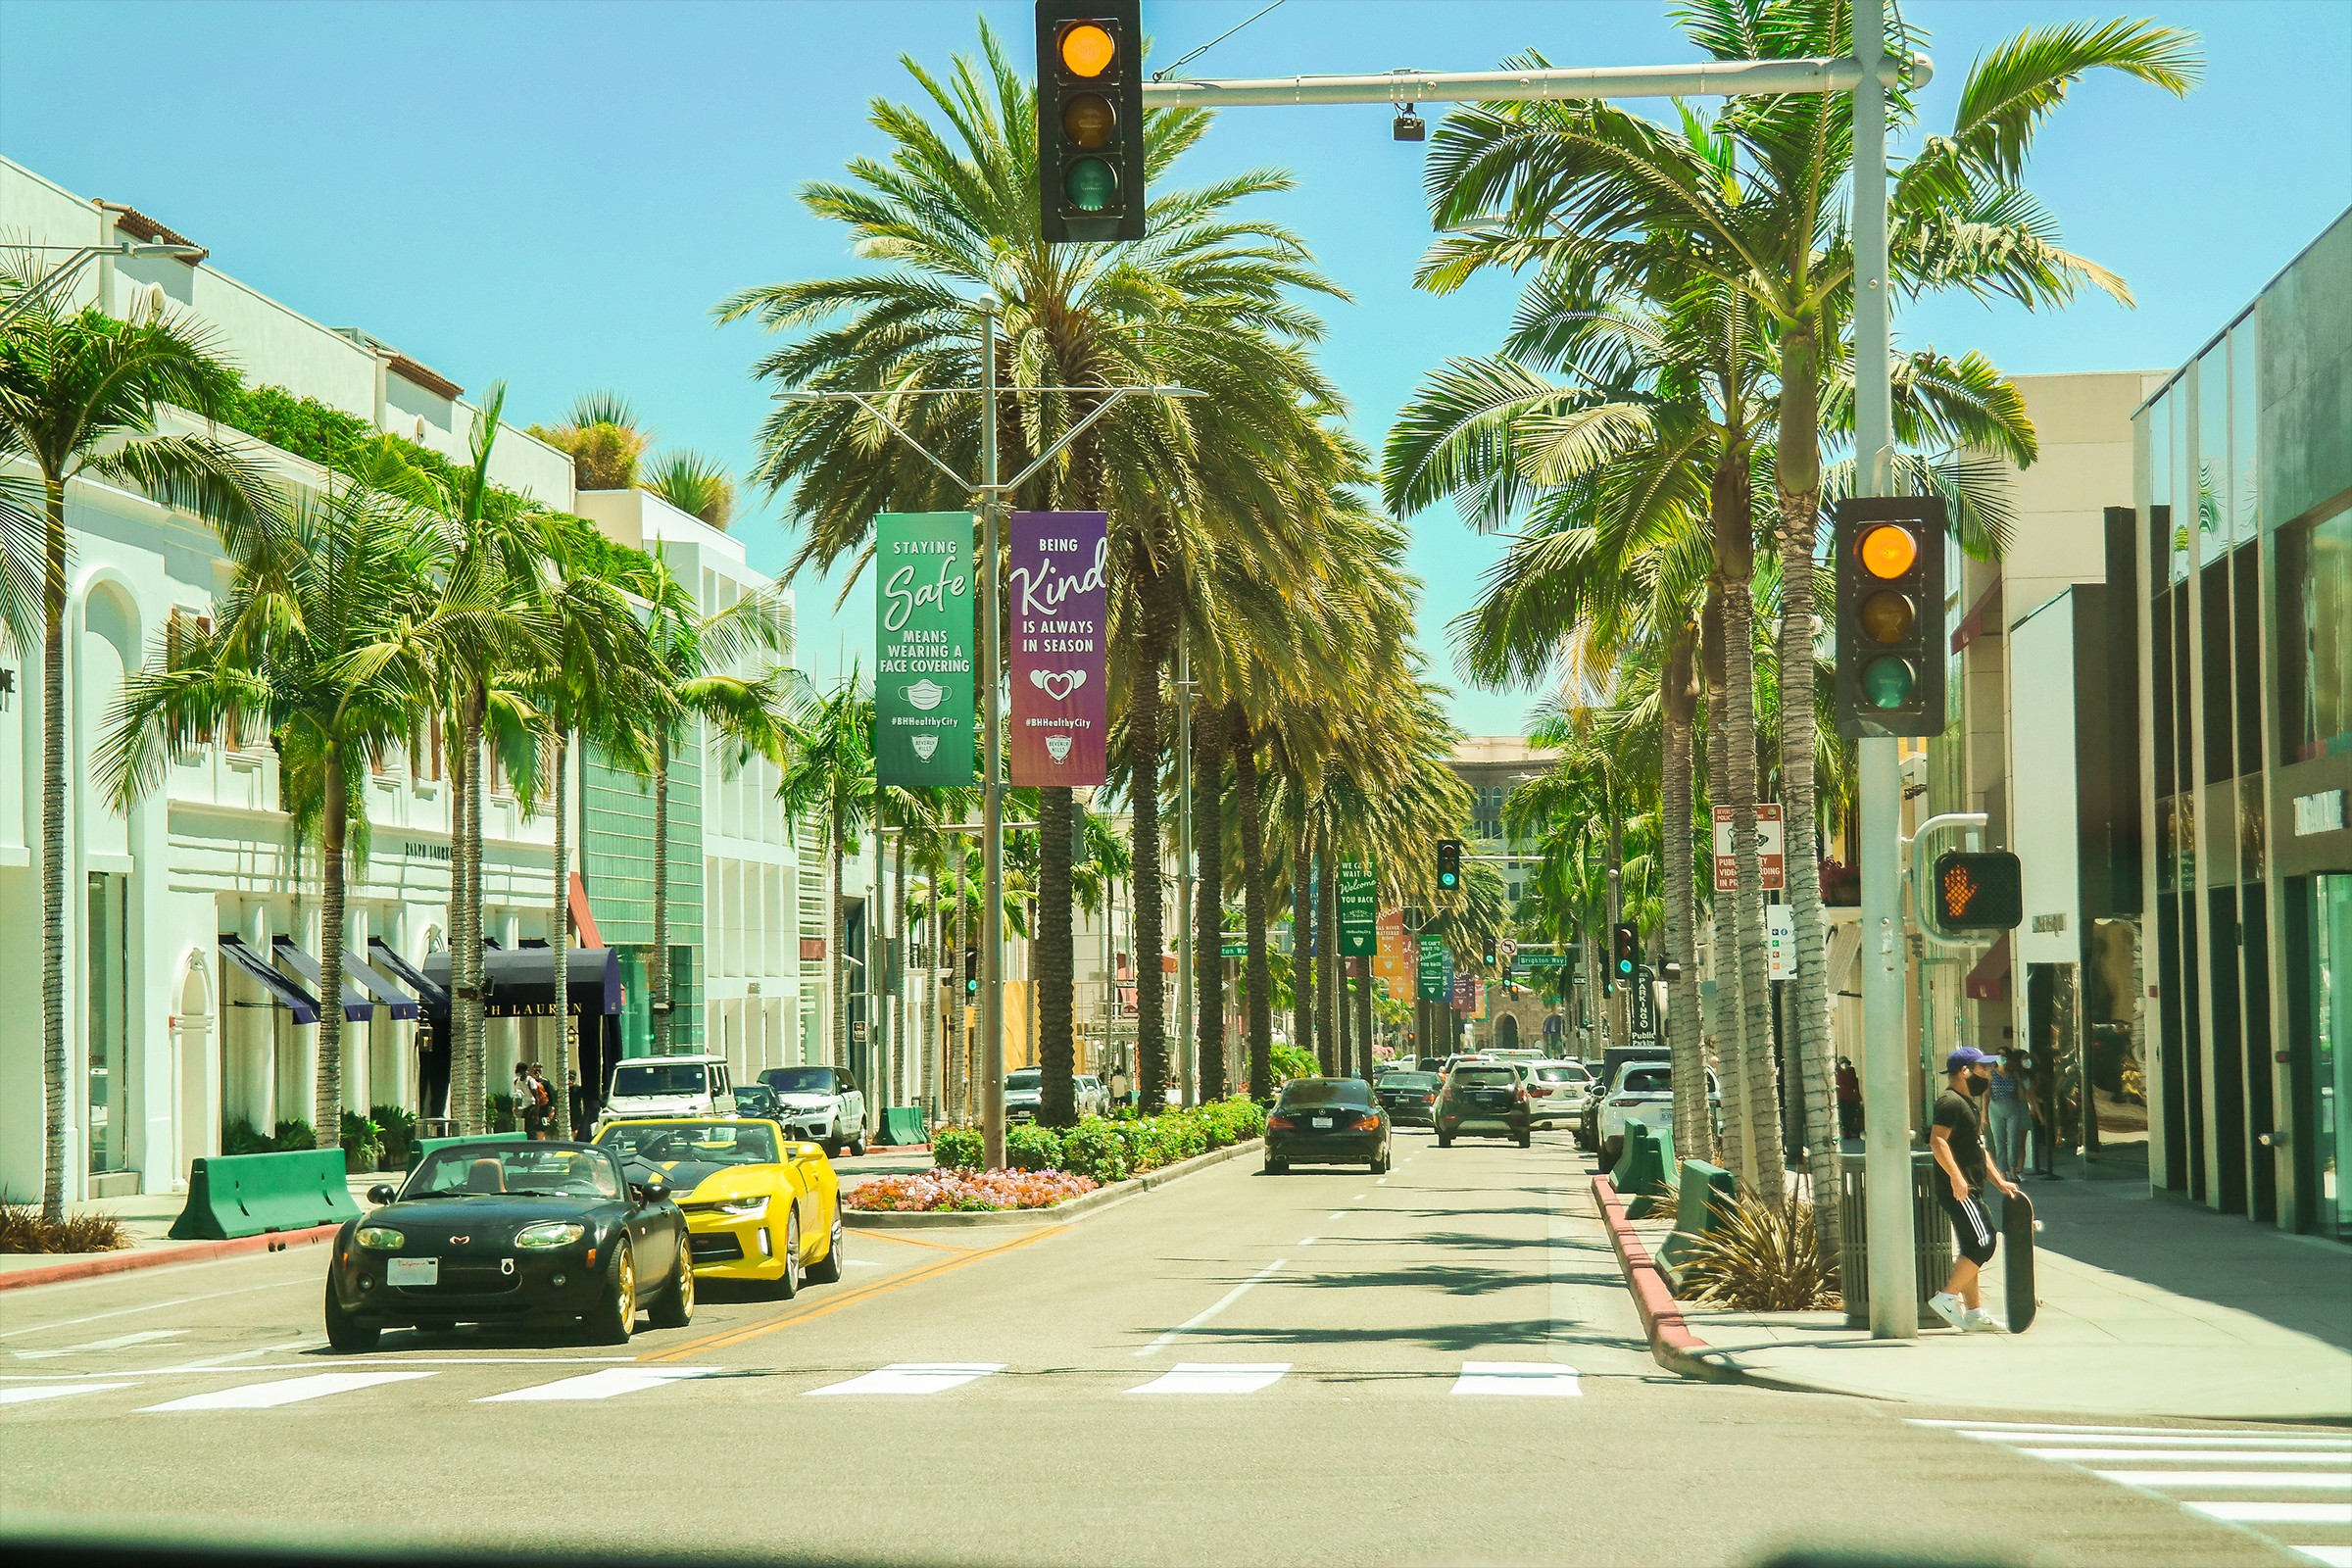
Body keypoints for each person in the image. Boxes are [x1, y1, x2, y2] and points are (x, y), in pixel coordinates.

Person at [1928, 1046, 2023, 1333]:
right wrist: (1957, 1179)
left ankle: (1974, 1313)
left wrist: (1999, 1180)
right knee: (1985, 1242)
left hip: (1971, 1187)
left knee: (1972, 1247)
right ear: (1965, 1071)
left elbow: (1980, 1151)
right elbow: (1937, 1141)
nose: (1988, 1073)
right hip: (1962, 1190)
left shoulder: (1966, 1103)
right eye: (1983, 1068)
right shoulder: (1950, 1102)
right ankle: (1946, 1298)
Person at [1985, 1052, 2029, 1181]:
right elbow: (1986, 1093)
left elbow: (2023, 1089)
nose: (2002, 1059)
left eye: (2005, 1056)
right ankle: (2002, 1172)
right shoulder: (1991, 1073)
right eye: (2000, 1056)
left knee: (2013, 1140)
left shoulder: (2013, 1073)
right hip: (1995, 1108)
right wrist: (1984, 1113)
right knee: (1999, 1141)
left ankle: (2013, 1170)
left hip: (2013, 1107)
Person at [1835, 1057, 1862, 1141]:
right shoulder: (1837, 1072)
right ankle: (1846, 1131)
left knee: (1851, 1114)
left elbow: (1855, 1083)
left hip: (1851, 1096)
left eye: (1846, 1063)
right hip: (1841, 1097)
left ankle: (1849, 1129)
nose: (1844, 1065)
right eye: (1843, 1063)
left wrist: (1858, 1095)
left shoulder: (1851, 1071)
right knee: (1843, 1114)